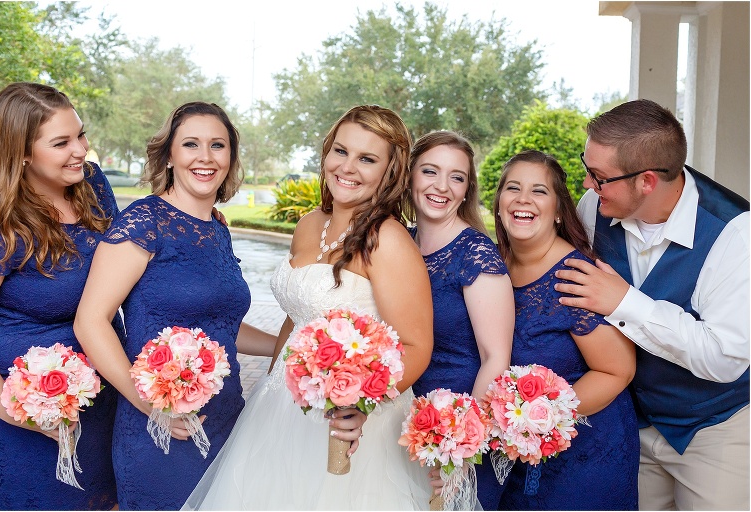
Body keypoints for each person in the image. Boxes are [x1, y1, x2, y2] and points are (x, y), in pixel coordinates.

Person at [183, 104, 436, 510]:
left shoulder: (387, 241)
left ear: (390, 172)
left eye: (367, 159)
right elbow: (297, 314)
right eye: (341, 151)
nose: (348, 167)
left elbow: (416, 345)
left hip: (346, 416)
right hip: (276, 405)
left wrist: (360, 406)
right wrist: (267, 382)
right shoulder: (308, 223)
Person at [74, 101, 275, 510]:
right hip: (158, 428)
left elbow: (222, 324)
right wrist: (150, 405)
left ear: (231, 157)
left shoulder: (217, 227)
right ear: (169, 155)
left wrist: (287, 346)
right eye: (191, 144)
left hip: (225, 421)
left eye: (218, 145)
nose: (205, 157)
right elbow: (91, 322)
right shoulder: (144, 221)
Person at [554, 99, 750, 510]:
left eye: (599, 176)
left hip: (714, 427)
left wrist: (626, 302)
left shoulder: (735, 233)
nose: (586, 185)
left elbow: (725, 358)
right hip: (628, 418)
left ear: (646, 181)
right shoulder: (596, 208)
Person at [0, 82, 120, 509]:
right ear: (21, 151)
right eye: (61, 142)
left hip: (101, 401)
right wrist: (13, 412)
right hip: (24, 413)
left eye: (80, 134)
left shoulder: (93, 185)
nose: (80, 149)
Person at [493, 150, 639, 510]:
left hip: (587, 458)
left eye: (539, 191)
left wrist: (536, 422)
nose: (523, 199)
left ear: (559, 210)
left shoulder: (574, 276)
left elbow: (617, 370)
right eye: (513, 188)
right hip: (513, 457)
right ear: (499, 204)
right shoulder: (489, 264)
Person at [404, 130, 514, 509]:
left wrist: (459, 446)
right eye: (430, 171)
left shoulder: (477, 253)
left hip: (455, 429)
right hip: (401, 418)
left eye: (457, 177)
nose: (442, 186)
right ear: (410, 177)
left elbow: (495, 357)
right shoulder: (400, 241)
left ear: (467, 190)